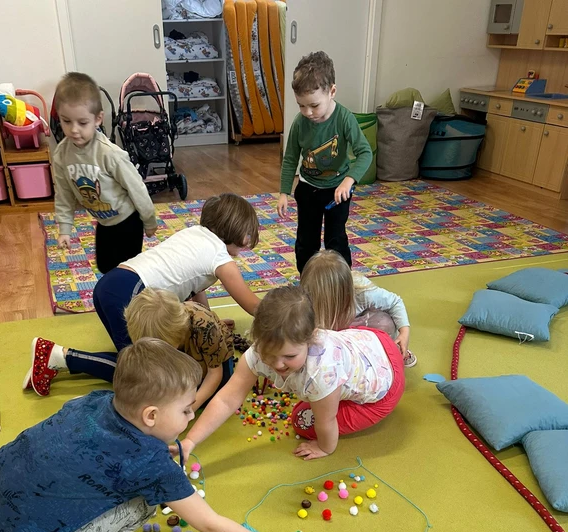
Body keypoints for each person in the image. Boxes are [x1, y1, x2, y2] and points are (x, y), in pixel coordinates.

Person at [0, 340, 316, 532]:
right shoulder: (150, 465)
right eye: (186, 409)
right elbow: (209, 523)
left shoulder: (97, 400)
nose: (191, 416)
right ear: (150, 416)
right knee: (144, 505)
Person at [24, 193, 261, 397]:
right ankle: (59, 357)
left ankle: (60, 357)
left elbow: (196, 292)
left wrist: (210, 326)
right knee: (144, 373)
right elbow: (253, 306)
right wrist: (283, 320)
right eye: (248, 236)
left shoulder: (195, 234)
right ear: (239, 231)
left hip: (113, 285)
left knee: (136, 359)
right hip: (131, 294)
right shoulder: (221, 258)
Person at [178, 287, 405, 463]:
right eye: (269, 354)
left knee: (301, 421)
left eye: (289, 356)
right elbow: (227, 399)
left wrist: (324, 447)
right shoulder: (258, 352)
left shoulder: (321, 373)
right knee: (313, 403)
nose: (277, 364)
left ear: (311, 338)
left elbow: (326, 420)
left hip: (386, 384)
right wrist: (190, 441)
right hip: (370, 340)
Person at [52, 71, 158, 274]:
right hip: (104, 221)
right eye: (66, 121)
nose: (74, 130)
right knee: (104, 267)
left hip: (128, 221)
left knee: (127, 272)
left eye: (82, 123)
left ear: (98, 119)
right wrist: (64, 229)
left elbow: (136, 188)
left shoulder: (110, 154)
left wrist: (149, 220)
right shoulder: (61, 155)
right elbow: (63, 194)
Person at [277, 51, 372, 273]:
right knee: (306, 241)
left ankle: (341, 282)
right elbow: (290, 158)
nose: (308, 112)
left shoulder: (345, 119)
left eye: (314, 105)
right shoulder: (300, 123)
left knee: (335, 240)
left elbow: (365, 152)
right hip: (308, 189)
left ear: (332, 92)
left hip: (337, 192)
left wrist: (349, 181)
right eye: (301, 106)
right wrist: (284, 192)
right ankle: (307, 280)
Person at [300, 250, 417, 367]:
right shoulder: (305, 301)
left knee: (384, 323)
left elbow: (395, 302)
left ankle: (391, 350)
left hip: (359, 330)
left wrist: (404, 334)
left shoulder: (362, 292)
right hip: (333, 336)